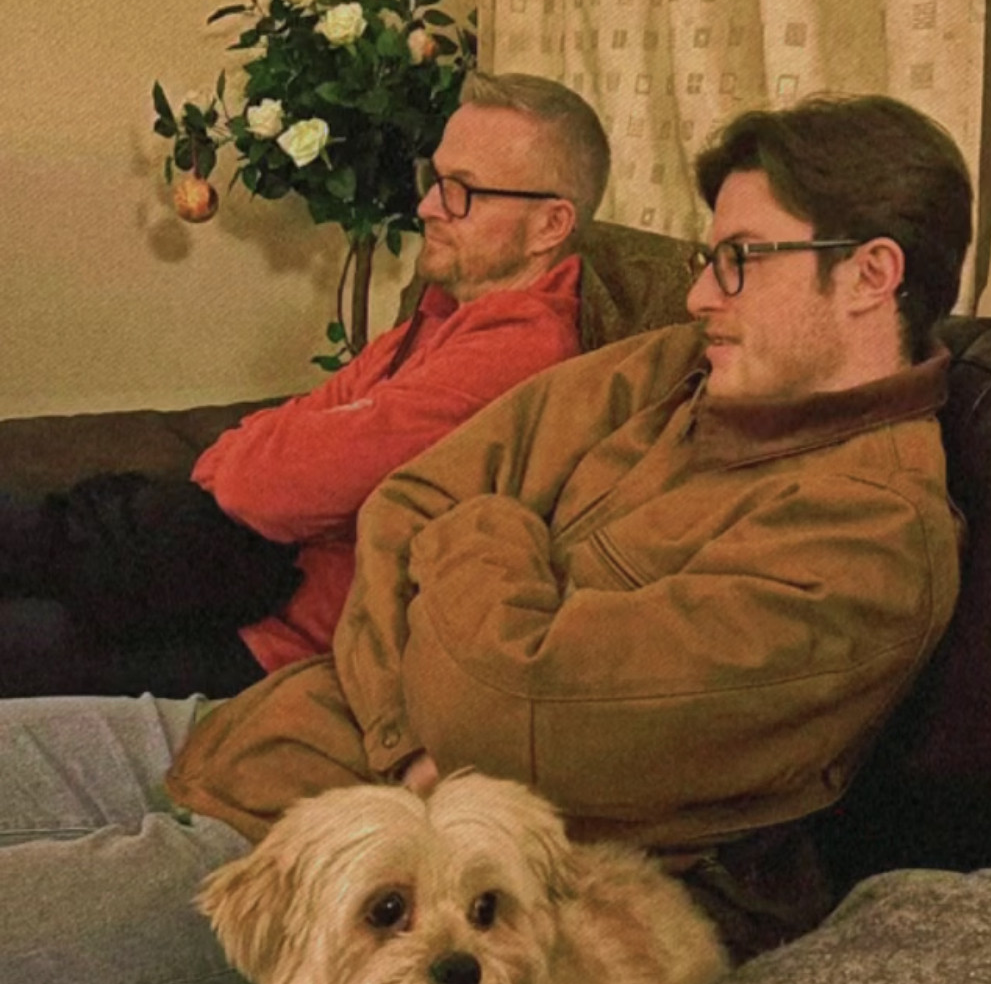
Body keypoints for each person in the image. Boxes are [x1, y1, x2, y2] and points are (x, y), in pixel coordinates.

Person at [0, 94, 972, 984]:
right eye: (706, 258)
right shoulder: (670, 372)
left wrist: (487, 525)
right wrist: (408, 728)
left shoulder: (866, 542)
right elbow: (405, 503)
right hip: (270, 730)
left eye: (740, 259)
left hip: (369, 897)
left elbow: (505, 705)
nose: (698, 298)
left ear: (870, 274)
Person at [0, 72, 611, 700]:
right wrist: (262, 455)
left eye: (462, 191)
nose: (428, 206)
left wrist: (259, 458)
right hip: (229, 582)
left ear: (550, 225)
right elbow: (304, 421)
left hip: (270, 644)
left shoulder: (516, 355)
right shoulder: (442, 317)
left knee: (30, 598)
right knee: (42, 527)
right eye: (434, 179)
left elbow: (262, 489)